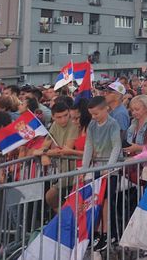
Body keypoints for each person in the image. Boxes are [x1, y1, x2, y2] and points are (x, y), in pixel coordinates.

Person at [82, 96, 122, 252]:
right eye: (92, 114)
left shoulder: (113, 124)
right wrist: (85, 168)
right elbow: (88, 147)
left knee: (105, 202)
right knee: (96, 201)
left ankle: (108, 233)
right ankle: (97, 232)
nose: (94, 117)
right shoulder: (92, 125)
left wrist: (110, 167)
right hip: (96, 168)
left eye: (96, 113)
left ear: (106, 109)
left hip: (109, 170)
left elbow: (116, 146)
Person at [35, 99, 79, 211]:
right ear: (53, 117)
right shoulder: (54, 125)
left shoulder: (73, 124)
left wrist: (44, 153)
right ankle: (65, 221)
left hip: (75, 171)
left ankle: (68, 221)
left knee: (52, 196)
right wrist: (44, 154)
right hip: (63, 171)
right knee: (51, 197)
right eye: (59, 117)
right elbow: (44, 145)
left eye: (66, 115)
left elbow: (65, 149)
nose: (63, 119)